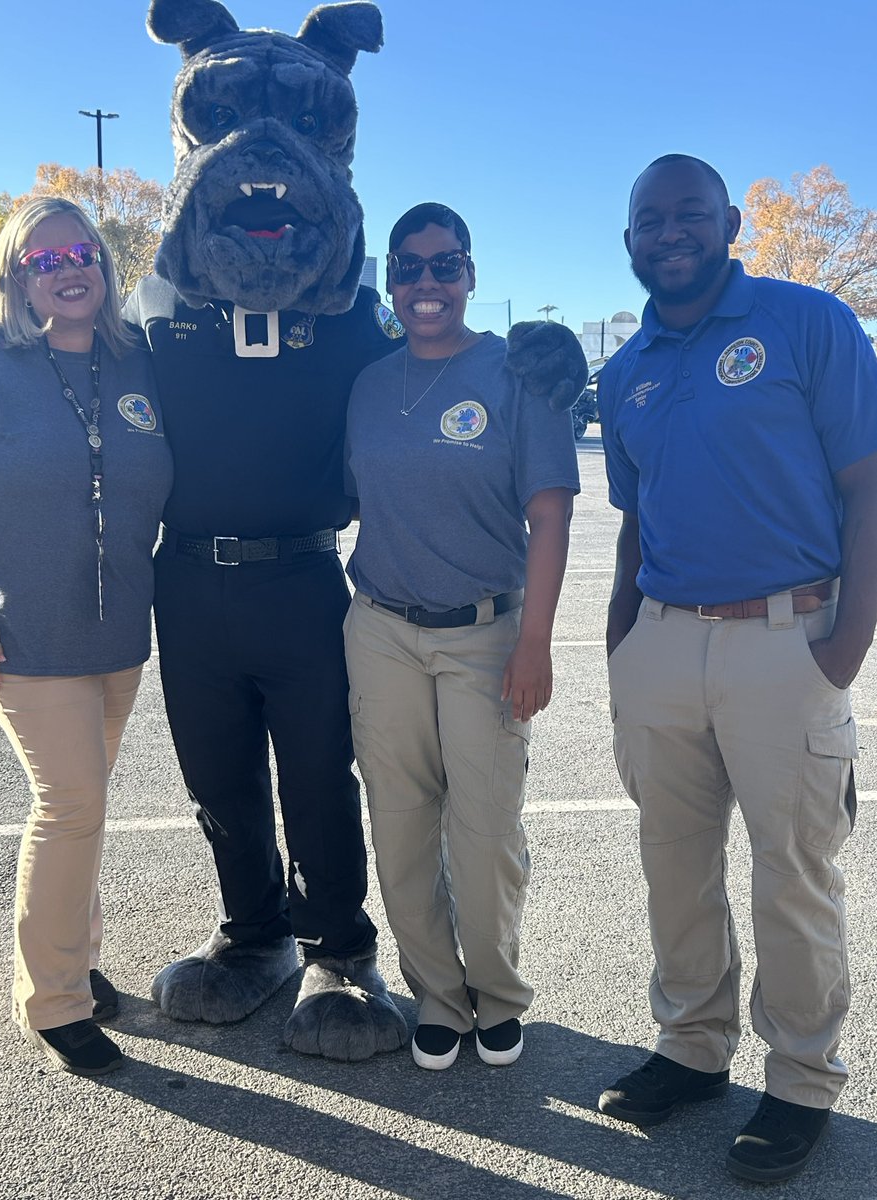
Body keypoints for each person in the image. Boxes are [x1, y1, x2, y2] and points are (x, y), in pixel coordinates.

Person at [595, 155, 877, 1183]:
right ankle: (691, 1048)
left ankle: (800, 1080)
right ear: (628, 240)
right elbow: (632, 523)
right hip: (662, 644)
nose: (668, 232)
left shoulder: (807, 325)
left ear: (728, 225)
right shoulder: (625, 371)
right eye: (648, 219)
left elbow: (868, 488)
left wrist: (841, 650)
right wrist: (622, 644)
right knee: (674, 867)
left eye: (688, 215)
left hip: (786, 641)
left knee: (792, 876)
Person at [0, 197, 173, 1076]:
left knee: (83, 810)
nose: (68, 269)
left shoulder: (131, 361)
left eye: (82, 252)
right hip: (23, 630)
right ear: (16, 274)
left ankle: (74, 964)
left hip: (117, 631)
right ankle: (53, 1002)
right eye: (44, 258)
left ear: (103, 262)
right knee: (70, 806)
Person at [343, 203, 581, 1070]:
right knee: (401, 825)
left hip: (486, 633)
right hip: (379, 630)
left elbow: (549, 517)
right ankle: (437, 995)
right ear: (391, 281)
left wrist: (536, 642)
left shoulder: (517, 373)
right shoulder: (368, 384)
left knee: (483, 833)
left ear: (471, 275)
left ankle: (497, 991)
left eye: (445, 266)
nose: (427, 284)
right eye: (408, 268)